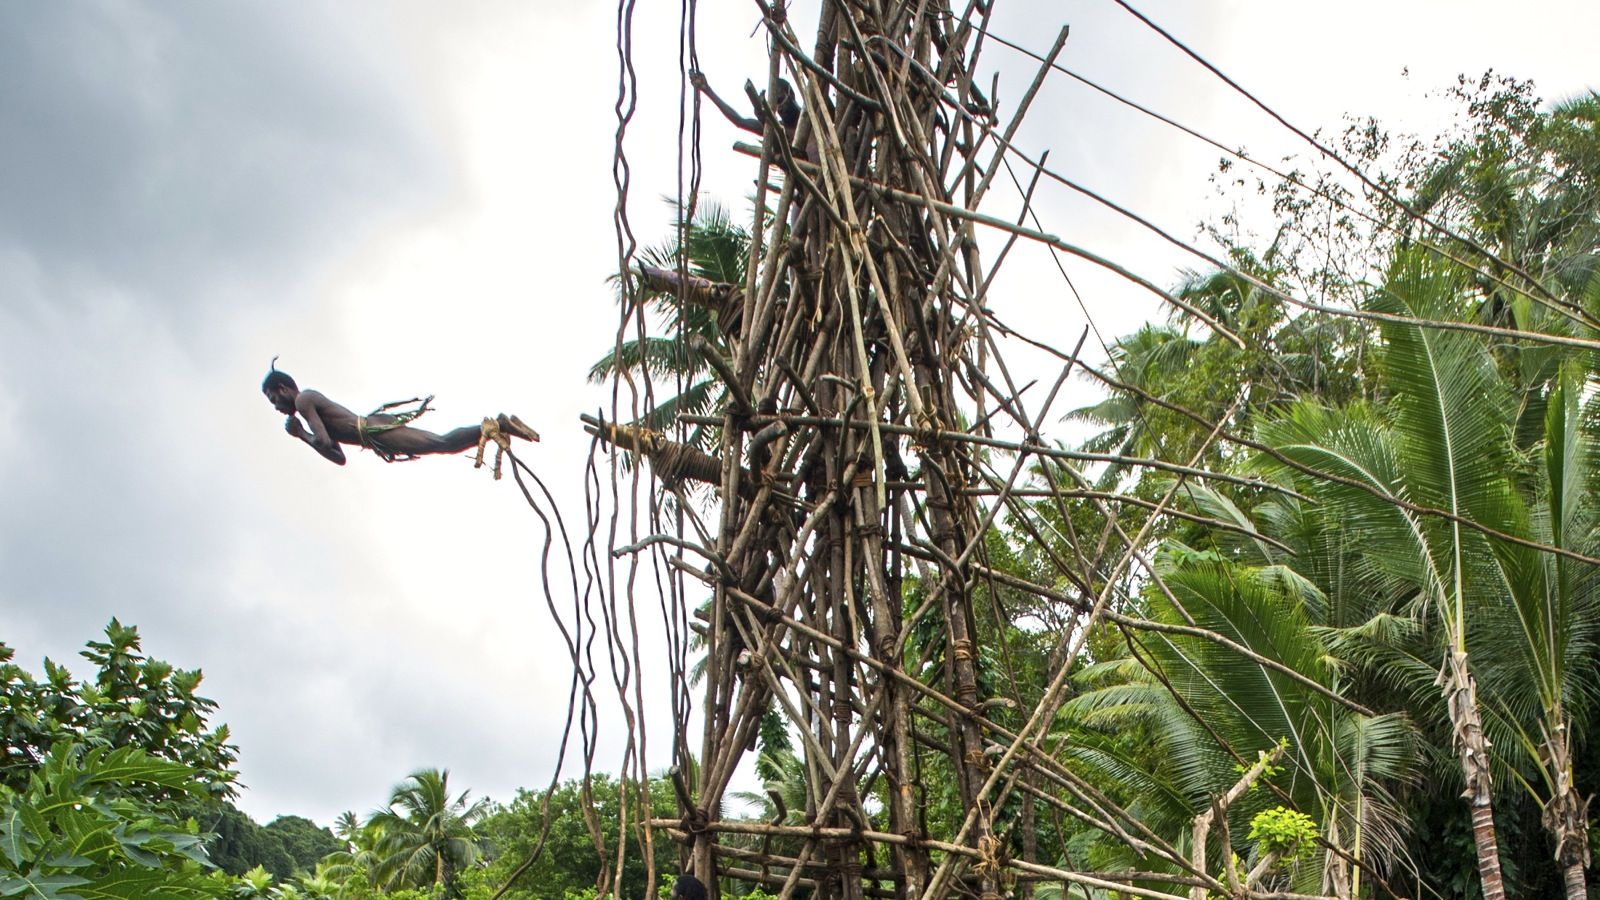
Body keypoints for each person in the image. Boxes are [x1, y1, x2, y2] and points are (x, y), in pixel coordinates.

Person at [262, 361, 538, 465]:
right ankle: (495, 427)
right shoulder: (308, 407)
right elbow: (337, 456)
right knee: (443, 445)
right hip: (374, 435)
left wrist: (301, 435)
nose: (276, 406)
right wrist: (305, 437)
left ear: (284, 388)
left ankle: (494, 426)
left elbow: (321, 441)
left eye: (274, 398)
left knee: (442, 444)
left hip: (372, 429)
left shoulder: (303, 401)